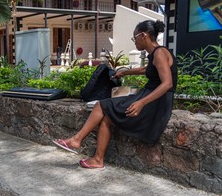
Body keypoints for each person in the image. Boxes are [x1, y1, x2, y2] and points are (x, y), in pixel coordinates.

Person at [53, 20, 177, 169]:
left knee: (101, 105)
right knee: (106, 119)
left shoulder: (160, 53)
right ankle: (98, 159)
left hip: (155, 102)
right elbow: (147, 69)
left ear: (143, 35)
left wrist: (141, 103)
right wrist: (125, 72)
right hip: (150, 97)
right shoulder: (155, 54)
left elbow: (167, 83)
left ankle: (76, 140)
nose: (134, 41)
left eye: (134, 37)